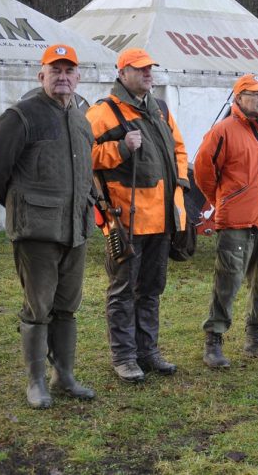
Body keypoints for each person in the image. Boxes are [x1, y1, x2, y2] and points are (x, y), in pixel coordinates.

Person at [0, 44, 96, 408]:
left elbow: (85, 170)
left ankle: (65, 376)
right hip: (37, 233)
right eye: (55, 70)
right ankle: (36, 382)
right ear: (40, 75)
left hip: (75, 228)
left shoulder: (81, 115)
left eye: (69, 71)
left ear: (78, 77)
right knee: (38, 307)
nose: (63, 77)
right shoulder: (21, 115)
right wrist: (23, 206)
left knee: (67, 306)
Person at [87, 48, 189, 382]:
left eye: (150, 68)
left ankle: (148, 352)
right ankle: (124, 357)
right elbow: (81, 155)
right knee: (122, 291)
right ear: (123, 72)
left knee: (151, 289)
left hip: (160, 218)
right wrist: (119, 148)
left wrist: (182, 183)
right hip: (125, 220)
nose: (149, 74)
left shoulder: (159, 109)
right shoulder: (102, 112)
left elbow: (178, 148)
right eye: (141, 69)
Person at [194, 74, 258, 367]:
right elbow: (204, 173)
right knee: (227, 283)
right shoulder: (223, 131)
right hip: (236, 223)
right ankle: (214, 342)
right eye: (255, 94)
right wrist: (225, 200)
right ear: (239, 97)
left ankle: (256, 339)